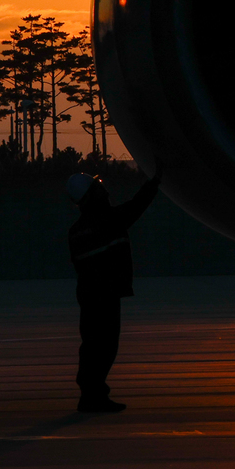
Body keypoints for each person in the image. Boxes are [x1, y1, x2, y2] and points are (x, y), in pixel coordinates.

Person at [66, 164, 162, 413]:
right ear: (91, 196)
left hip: (90, 295)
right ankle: (93, 396)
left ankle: (91, 394)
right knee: (104, 346)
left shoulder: (77, 231)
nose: (104, 189)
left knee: (93, 345)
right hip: (103, 295)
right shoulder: (107, 220)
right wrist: (154, 182)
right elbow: (136, 206)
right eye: (98, 186)